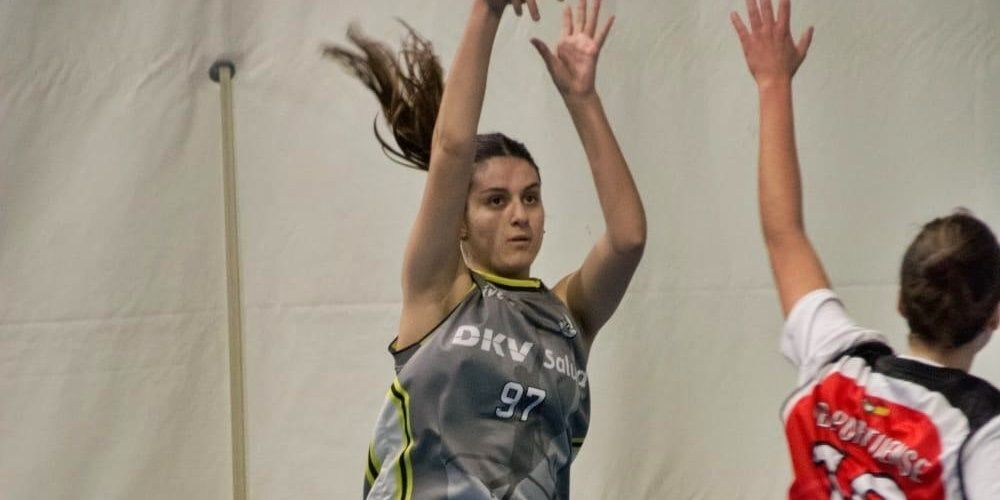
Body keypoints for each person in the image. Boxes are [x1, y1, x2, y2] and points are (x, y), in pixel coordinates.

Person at [326, 0, 645, 497]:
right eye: (496, 200)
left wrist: (582, 98)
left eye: (531, 198)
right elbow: (452, 150)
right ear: (459, 221)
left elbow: (628, 239)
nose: (519, 214)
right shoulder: (440, 292)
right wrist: (488, 11)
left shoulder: (567, 316)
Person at [731, 0, 1000, 497]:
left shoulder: (840, 364)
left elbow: (784, 234)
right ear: (993, 318)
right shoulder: (981, 430)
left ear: (901, 300)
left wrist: (773, 84)